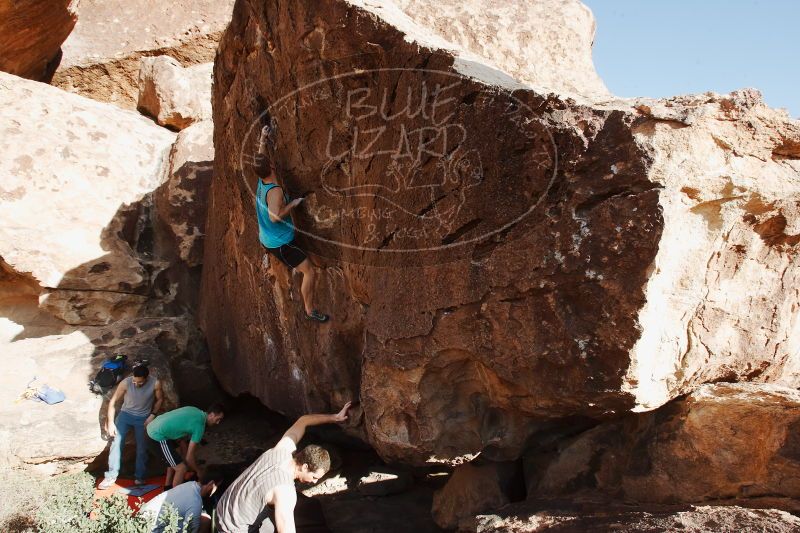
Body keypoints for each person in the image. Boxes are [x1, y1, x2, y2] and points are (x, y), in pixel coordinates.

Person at [215, 402, 352, 533]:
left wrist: (335, 417)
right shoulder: (285, 492)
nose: (315, 481)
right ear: (305, 467)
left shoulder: (282, 449)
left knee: (268, 526)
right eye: (314, 477)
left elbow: (303, 421)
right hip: (232, 528)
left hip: (224, 507)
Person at [255, 152, 329, 323]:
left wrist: (262, 139)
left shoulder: (261, 182)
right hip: (281, 243)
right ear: (271, 166)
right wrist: (292, 204)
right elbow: (274, 217)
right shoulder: (275, 191)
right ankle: (310, 310)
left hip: (267, 237)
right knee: (309, 272)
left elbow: (260, 158)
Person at [98, 363, 163, 489]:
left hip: (143, 418)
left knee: (142, 448)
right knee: (116, 443)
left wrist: (153, 414)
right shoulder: (126, 383)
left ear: (146, 378)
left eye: (140, 382)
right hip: (125, 415)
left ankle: (140, 477)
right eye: (135, 381)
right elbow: (112, 402)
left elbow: (160, 399)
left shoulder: (155, 383)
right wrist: (110, 423)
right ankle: (111, 476)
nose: (136, 384)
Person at [147, 404, 225, 489]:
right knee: (181, 468)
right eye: (218, 419)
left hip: (155, 426)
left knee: (175, 457)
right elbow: (189, 458)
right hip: (156, 436)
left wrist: (189, 464)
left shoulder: (195, 410)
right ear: (212, 414)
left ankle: (167, 486)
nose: (218, 423)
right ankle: (174, 497)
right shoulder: (199, 426)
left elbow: (182, 442)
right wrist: (199, 471)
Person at [140, 473, 220, 533]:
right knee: (205, 520)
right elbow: (190, 531)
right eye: (217, 486)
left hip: (141, 521)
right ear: (211, 484)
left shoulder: (189, 485)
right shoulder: (195, 502)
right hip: (152, 529)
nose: (216, 490)